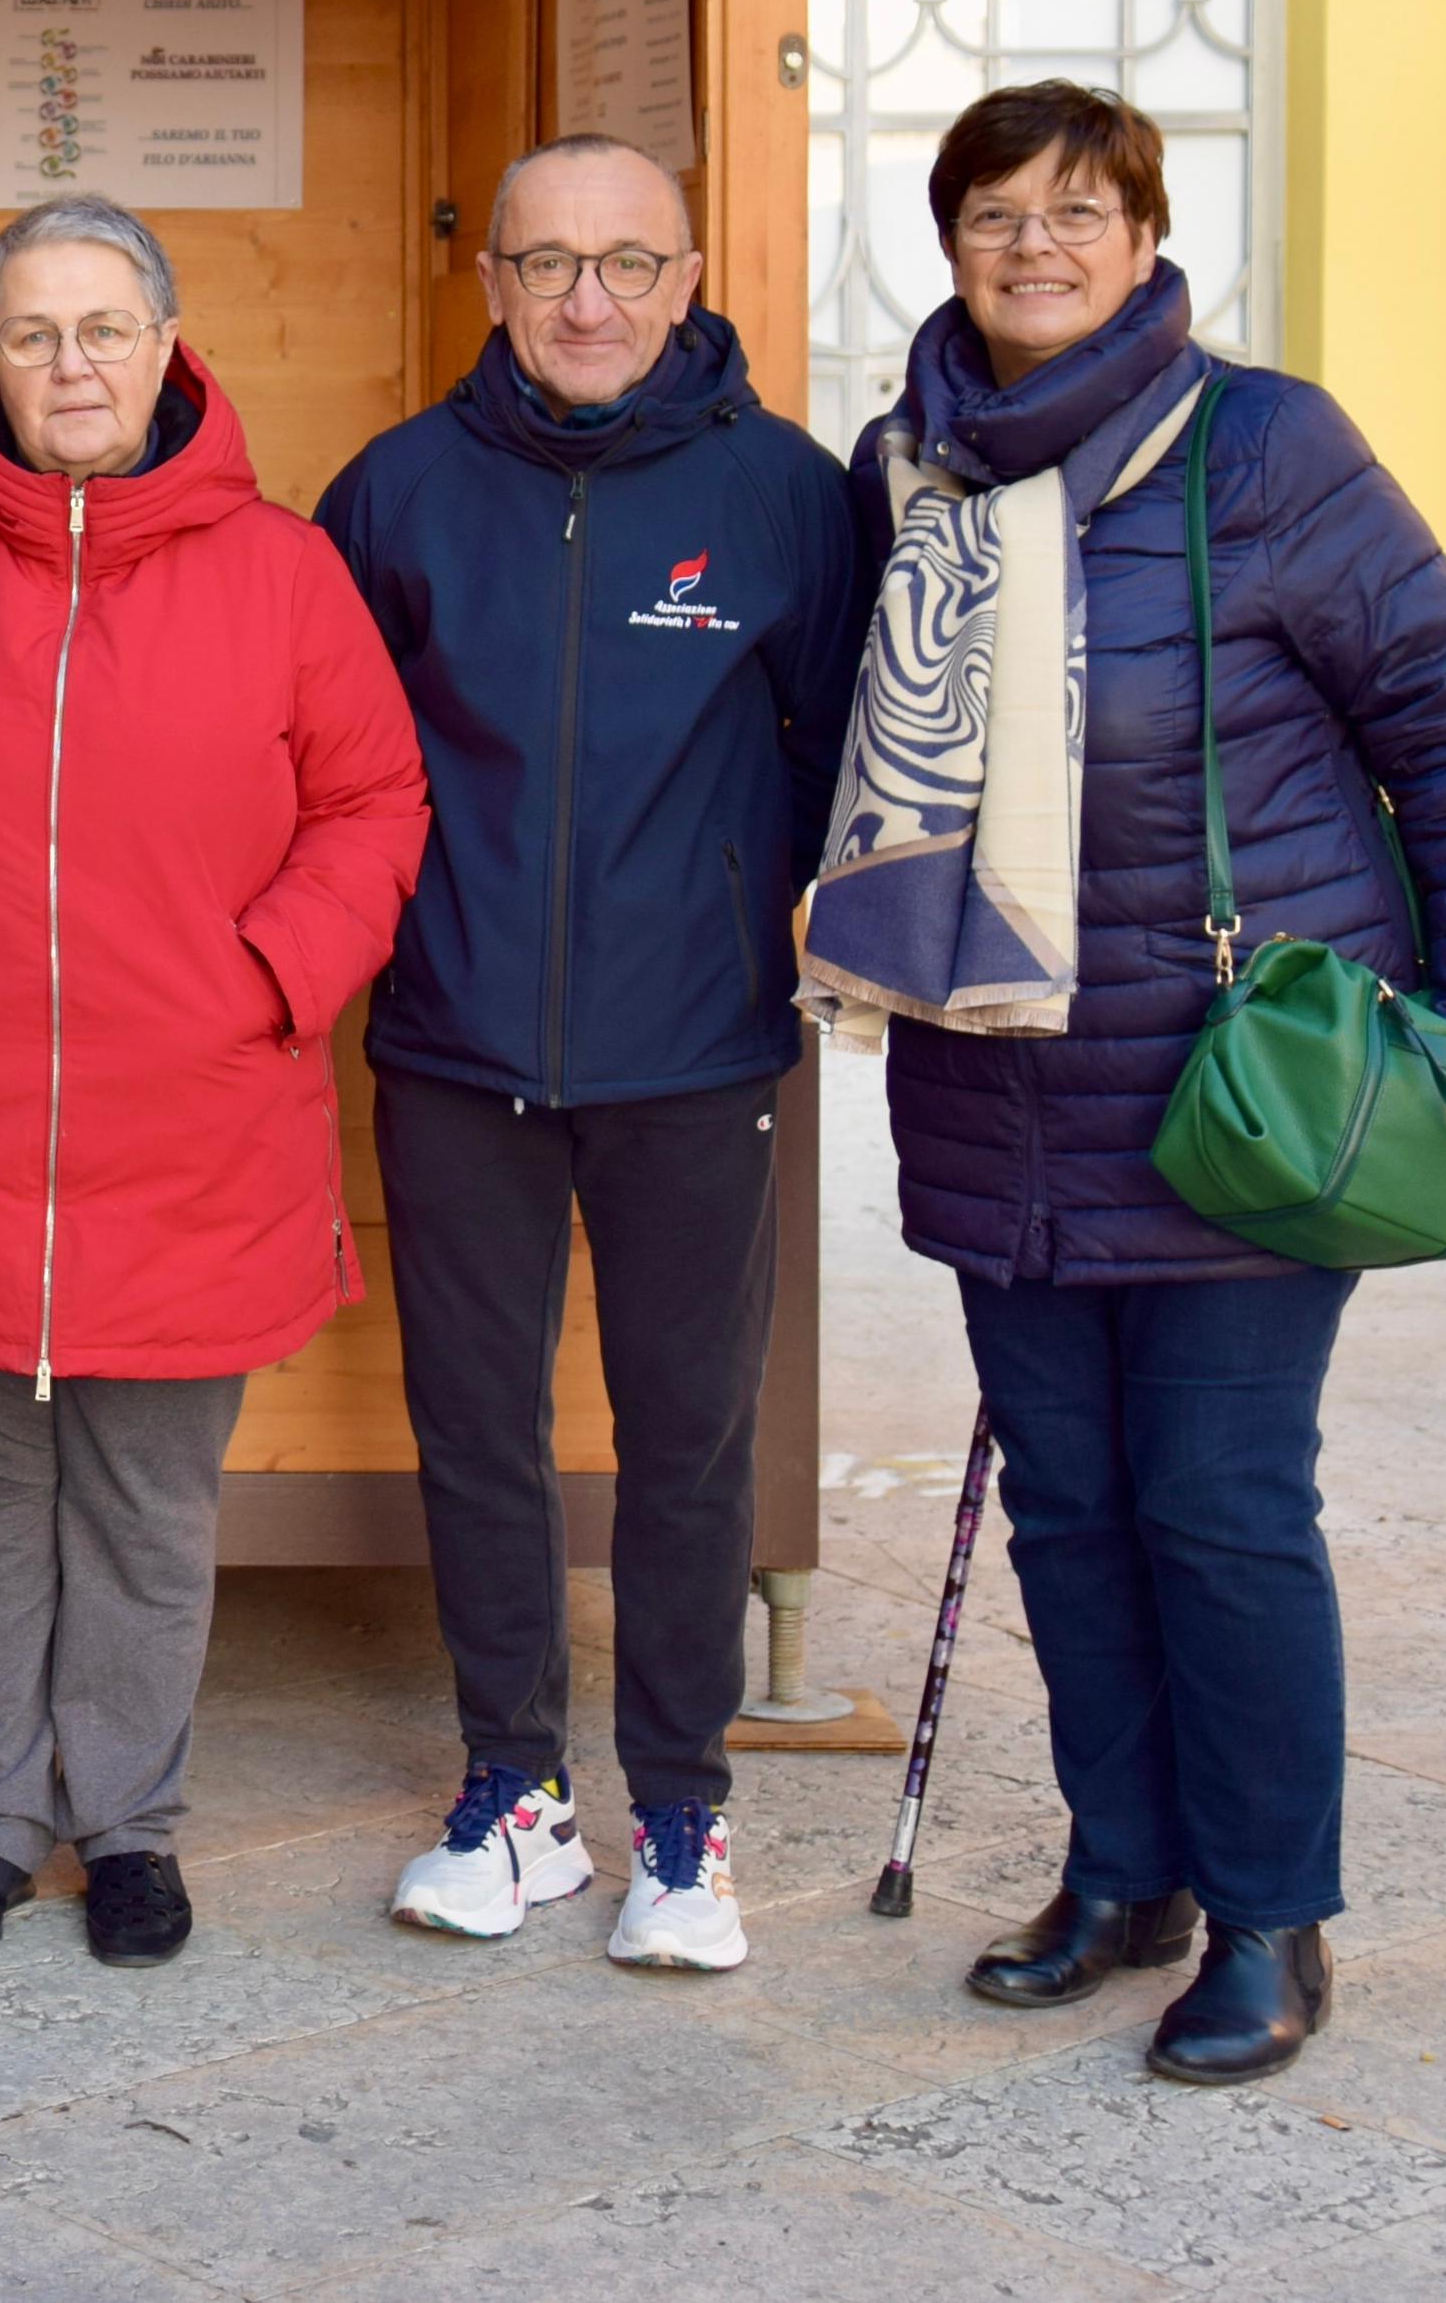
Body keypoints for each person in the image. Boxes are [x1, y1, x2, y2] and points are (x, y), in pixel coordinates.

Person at [808, 81, 1446, 2087]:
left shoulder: (1262, 446)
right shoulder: (906, 470)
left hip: (1232, 1079)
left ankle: (1266, 1914)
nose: (1035, 245)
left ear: (1147, 239)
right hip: (998, 1077)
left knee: (1218, 1503)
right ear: (945, 238)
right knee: (1071, 1500)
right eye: (995, 211)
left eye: (1081, 209)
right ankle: (1124, 1862)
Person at [0, 195, 425, 1971]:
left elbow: (376, 803)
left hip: (195, 1129)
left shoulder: (286, 570)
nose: (71, 365)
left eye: (104, 328)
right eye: (32, 332)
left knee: (152, 1513)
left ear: (166, 342)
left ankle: (132, 1825)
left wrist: (269, 973)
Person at [313, 135, 872, 1973]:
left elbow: (825, 758)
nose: (587, 301)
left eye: (629, 266)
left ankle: (685, 1818)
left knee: (684, 1439)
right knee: (476, 1431)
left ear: (688, 278)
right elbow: (341, 766)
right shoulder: (397, 493)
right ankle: (516, 1797)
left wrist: (725, 912)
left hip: (694, 1050)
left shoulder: (785, 496)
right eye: (548, 264)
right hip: (460, 1044)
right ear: (491, 285)